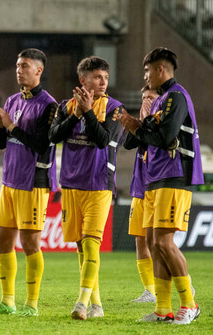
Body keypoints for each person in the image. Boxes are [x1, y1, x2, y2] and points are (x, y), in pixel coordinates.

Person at [118, 48, 202, 324]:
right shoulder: (159, 101)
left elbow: (166, 137)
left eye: (147, 71)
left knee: (164, 242)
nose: (145, 76)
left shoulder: (176, 97)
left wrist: (135, 125)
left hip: (174, 175)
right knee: (155, 243)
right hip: (155, 177)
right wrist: (136, 126)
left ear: (161, 70)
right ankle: (162, 309)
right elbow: (143, 138)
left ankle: (189, 304)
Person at [0, 48, 57, 317]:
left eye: (25, 66)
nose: (19, 70)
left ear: (39, 70)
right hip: (10, 179)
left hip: (33, 180)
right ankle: (7, 301)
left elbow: (42, 145)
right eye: (17, 65)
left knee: (31, 243)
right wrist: (1, 125)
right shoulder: (12, 100)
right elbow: (2, 144)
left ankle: (32, 304)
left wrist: (11, 125)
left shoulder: (49, 105)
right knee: (3, 240)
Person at [49, 56, 124, 320]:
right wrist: (77, 115)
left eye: (105, 76)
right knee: (81, 245)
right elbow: (53, 136)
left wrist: (89, 113)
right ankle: (97, 305)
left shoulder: (116, 108)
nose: (102, 81)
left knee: (92, 244)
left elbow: (103, 140)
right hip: (71, 183)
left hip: (99, 183)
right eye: (96, 77)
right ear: (83, 80)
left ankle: (81, 302)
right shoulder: (66, 106)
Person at [122, 85, 159, 304]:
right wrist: (141, 120)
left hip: (158, 189)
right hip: (140, 189)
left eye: (151, 98)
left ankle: (183, 282)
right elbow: (128, 143)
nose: (146, 101)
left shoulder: (164, 123)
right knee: (140, 240)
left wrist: (148, 121)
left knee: (159, 242)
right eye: (143, 97)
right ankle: (149, 291)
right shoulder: (142, 124)